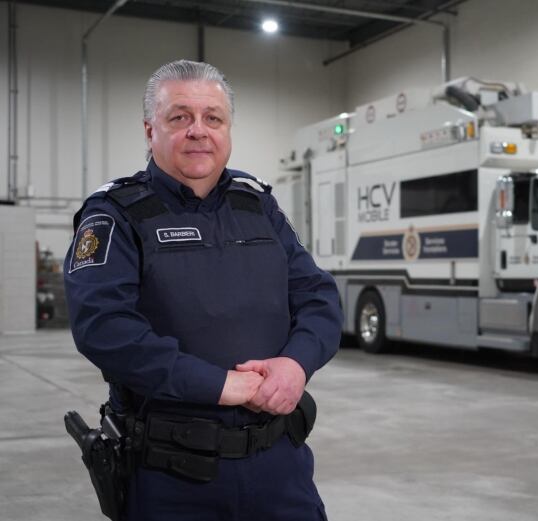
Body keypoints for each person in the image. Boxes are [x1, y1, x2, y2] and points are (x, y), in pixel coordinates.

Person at [64, 59, 342, 521]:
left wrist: (297, 364)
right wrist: (218, 386)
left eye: (213, 117)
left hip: (279, 464)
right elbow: (103, 327)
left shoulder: (257, 205)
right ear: (151, 130)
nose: (198, 130)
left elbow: (318, 296)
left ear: (228, 129)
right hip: (172, 473)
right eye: (180, 117)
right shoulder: (116, 212)